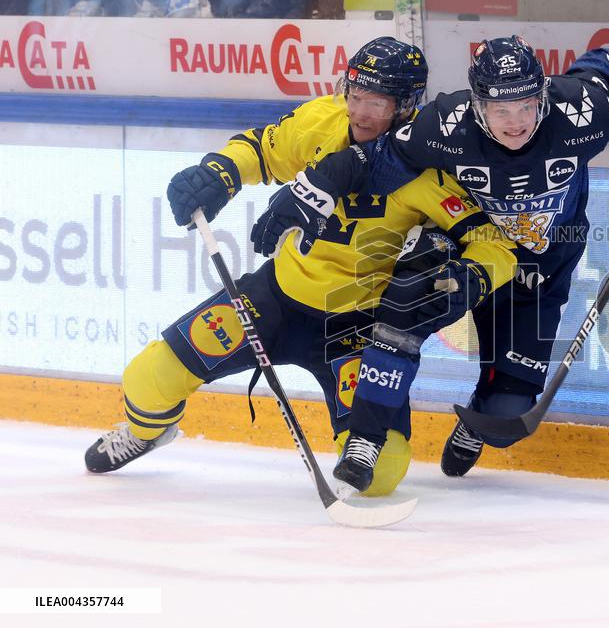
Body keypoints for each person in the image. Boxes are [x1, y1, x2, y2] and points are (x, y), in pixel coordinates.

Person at [296, 35, 609, 495]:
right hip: (469, 247)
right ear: (477, 105)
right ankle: (365, 438)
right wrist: (310, 190)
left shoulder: (582, 109)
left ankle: (478, 419)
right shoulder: (445, 123)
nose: (516, 121)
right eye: (501, 110)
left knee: (508, 411)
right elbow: (376, 161)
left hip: (540, 268)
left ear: (542, 92)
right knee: (408, 299)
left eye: (526, 105)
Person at [83, 36, 516, 498]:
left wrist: (473, 274)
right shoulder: (322, 120)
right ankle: (150, 432)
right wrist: (218, 173)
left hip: (358, 327)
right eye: (355, 95)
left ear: (408, 106)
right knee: (147, 378)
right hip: (277, 299)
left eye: (378, 102)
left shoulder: (432, 169)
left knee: (384, 472)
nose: (361, 113)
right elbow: (261, 150)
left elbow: (494, 243)